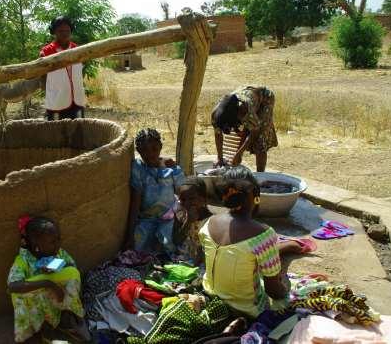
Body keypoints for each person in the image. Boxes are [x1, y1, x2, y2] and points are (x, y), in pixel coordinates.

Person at [199, 166, 304, 318]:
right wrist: (285, 288)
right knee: (284, 280)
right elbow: (273, 291)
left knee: (251, 257)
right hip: (245, 309)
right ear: (256, 195)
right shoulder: (263, 235)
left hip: (210, 295)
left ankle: (282, 249)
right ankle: (282, 252)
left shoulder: (209, 223)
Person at [7, 215, 89, 343]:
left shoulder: (59, 253)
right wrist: (48, 283)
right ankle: (40, 329)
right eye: (52, 242)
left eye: (58, 239)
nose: (58, 244)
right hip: (38, 308)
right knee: (18, 293)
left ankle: (66, 318)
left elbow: (73, 269)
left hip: (59, 303)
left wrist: (59, 267)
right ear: (36, 245)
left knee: (72, 273)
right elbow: (13, 286)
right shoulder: (23, 260)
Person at [127, 128, 185, 256]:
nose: (150, 154)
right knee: (137, 249)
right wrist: (130, 234)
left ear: (160, 147)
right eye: (145, 150)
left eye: (154, 148)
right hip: (146, 220)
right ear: (138, 151)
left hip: (169, 219)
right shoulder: (138, 168)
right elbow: (136, 201)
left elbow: (184, 193)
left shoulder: (171, 169)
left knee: (170, 246)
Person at [211, 85, 278, 172]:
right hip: (249, 97)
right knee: (246, 129)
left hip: (264, 99)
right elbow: (218, 133)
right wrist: (220, 158)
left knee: (260, 142)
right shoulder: (215, 114)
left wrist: (239, 154)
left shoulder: (244, 110)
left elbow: (255, 131)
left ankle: (261, 175)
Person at [39, 16, 86, 121]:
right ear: (54, 32)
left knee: (77, 132)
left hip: (76, 100)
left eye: (67, 30)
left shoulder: (78, 50)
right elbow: (42, 77)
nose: (64, 33)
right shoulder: (46, 53)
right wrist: (51, 93)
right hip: (57, 102)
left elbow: (80, 72)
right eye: (60, 31)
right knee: (56, 134)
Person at [174, 176, 212, 264]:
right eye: (183, 200)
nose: (187, 203)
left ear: (203, 199)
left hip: (204, 261)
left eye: (192, 199)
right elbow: (176, 241)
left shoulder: (211, 220)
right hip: (183, 260)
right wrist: (188, 221)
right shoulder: (180, 216)